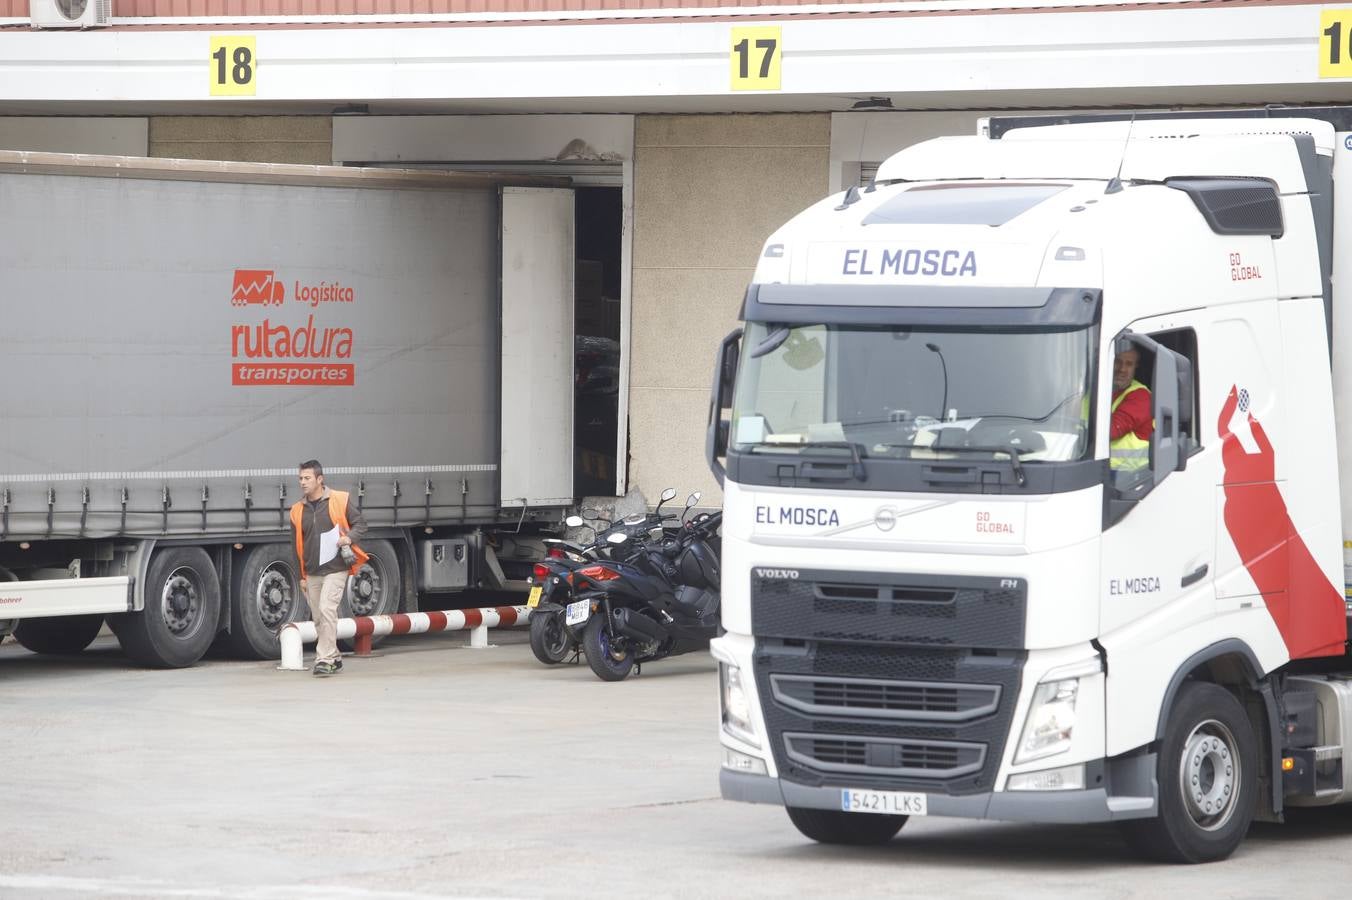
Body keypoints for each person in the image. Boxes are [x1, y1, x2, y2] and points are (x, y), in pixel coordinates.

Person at [290, 459, 369, 677]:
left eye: (307, 478)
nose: (302, 483)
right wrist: (301, 576)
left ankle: (323, 660)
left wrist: (348, 539)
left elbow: (361, 524)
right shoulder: (297, 510)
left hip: (336, 567)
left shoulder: (339, 500)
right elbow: (295, 546)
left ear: (319, 479)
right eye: (300, 479)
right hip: (312, 571)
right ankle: (334, 656)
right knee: (317, 617)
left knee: (327, 608)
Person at [1110, 347, 1153, 470]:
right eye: (1118, 362)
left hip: (1129, 477)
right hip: (1091, 466)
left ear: (1135, 367)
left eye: (1129, 364)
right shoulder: (1093, 392)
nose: (1122, 369)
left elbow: (1111, 430)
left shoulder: (1140, 396)